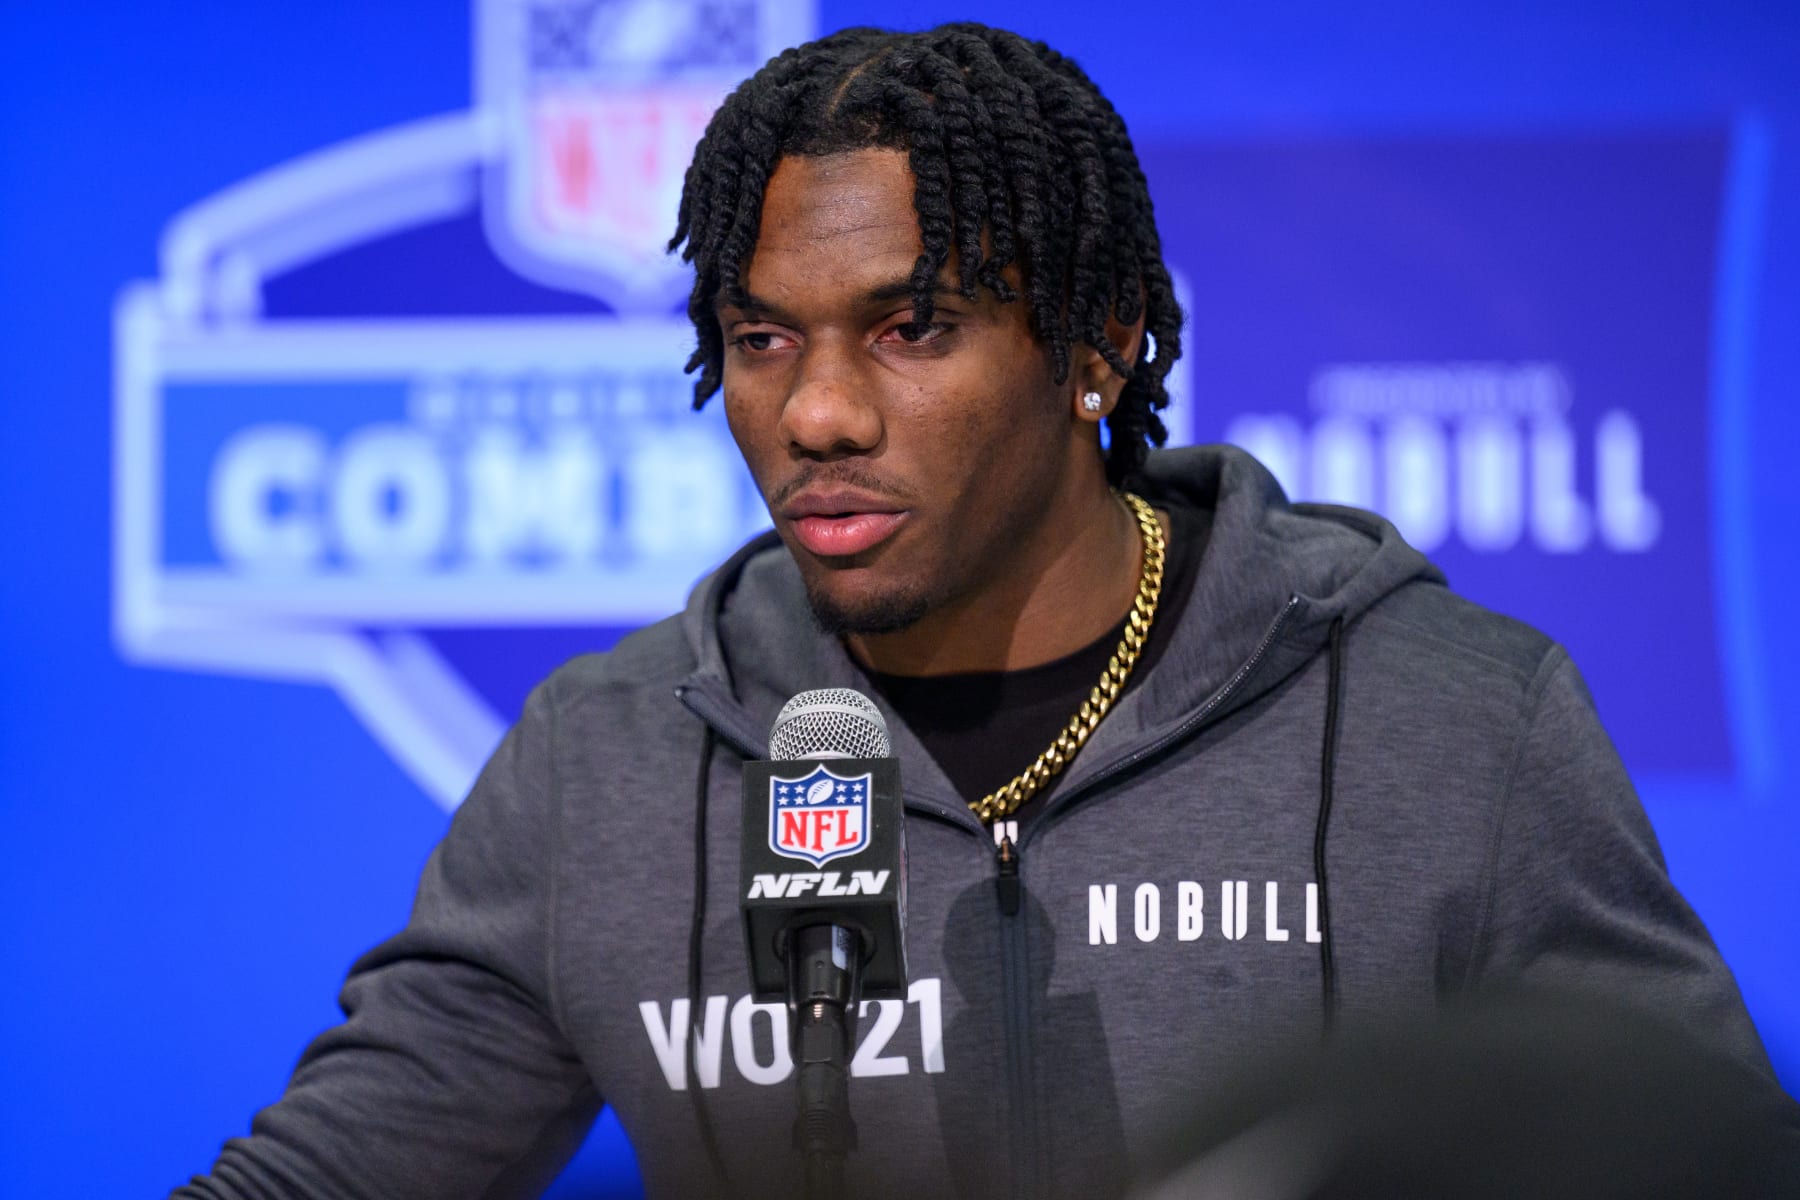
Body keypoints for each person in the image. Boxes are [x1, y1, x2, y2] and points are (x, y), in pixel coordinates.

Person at [174, 22, 1788, 1200]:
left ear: (1100, 346)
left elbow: (1705, 1161)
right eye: (759, 339)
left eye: (911, 328)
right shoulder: (605, 767)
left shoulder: (1448, 724)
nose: (815, 415)